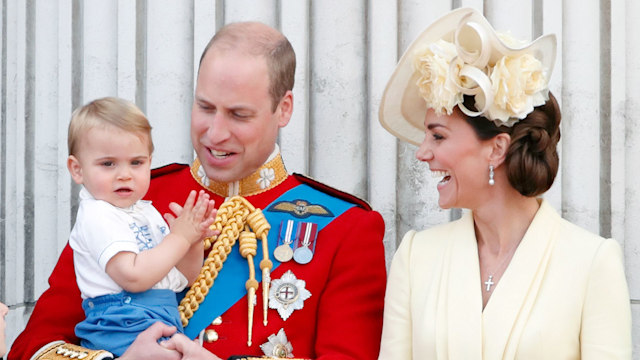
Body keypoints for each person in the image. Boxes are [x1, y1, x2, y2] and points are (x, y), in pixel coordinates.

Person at [8, 21, 387, 360]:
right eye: (205, 107)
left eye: (239, 115)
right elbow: (33, 347)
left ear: (283, 109)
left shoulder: (345, 228)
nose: (215, 133)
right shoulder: (131, 198)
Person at [377, 7, 631, 359]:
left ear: (497, 148)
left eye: (437, 137)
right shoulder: (416, 256)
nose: (422, 153)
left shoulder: (592, 262)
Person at [63, 97, 217, 356]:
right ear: (77, 170)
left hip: (157, 317)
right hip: (121, 323)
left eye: (136, 163)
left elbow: (186, 278)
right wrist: (179, 238)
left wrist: (193, 240)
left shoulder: (146, 211)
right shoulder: (97, 214)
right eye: (108, 163)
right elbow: (133, 277)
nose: (125, 174)